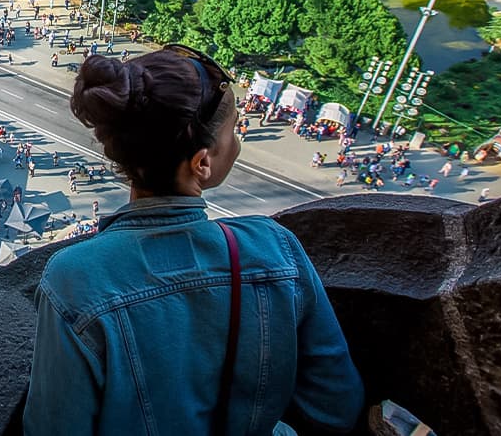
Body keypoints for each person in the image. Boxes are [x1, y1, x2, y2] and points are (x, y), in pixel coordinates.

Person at [24, 47, 363, 435]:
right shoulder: (275, 249)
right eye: (234, 130)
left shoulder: (73, 280)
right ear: (202, 162)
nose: (237, 143)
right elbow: (336, 407)